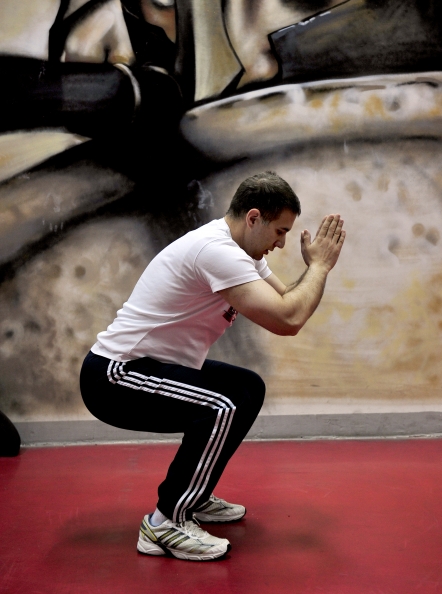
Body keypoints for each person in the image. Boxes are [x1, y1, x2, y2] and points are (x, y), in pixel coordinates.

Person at [80, 171, 346, 561]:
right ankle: (164, 523)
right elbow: (288, 320)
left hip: (147, 368)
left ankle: (195, 495)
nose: (281, 243)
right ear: (253, 218)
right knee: (222, 404)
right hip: (115, 376)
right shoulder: (216, 252)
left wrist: (314, 268)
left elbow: (288, 299)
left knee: (247, 388)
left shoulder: (244, 252)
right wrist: (320, 268)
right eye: (280, 231)